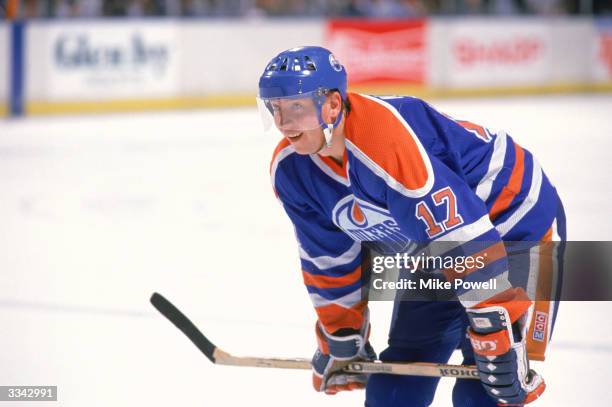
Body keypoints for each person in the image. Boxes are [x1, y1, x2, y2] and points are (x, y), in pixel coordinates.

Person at [258, 46, 565, 406]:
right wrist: (343, 334)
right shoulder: (292, 170)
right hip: (439, 245)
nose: (283, 123)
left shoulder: (382, 138)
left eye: (297, 107)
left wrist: (495, 325)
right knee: (396, 387)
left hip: (517, 222)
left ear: (332, 105)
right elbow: (327, 258)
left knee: (485, 393)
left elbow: (458, 234)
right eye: (275, 108)